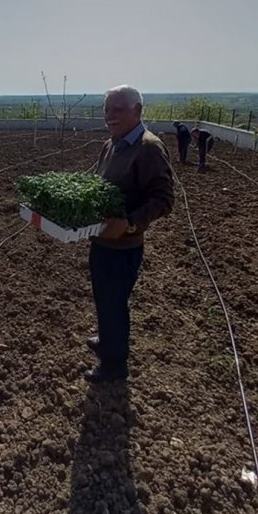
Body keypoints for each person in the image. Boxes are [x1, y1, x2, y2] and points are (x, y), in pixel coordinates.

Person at [86, 85, 174, 383]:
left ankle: (114, 364)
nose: (110, 116)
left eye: (118, 110)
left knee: (114, 301)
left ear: (138, 112)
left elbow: (163, 200)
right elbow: (97, 188)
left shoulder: (149, 148)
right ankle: (108, 340)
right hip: (101, 239)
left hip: (123, 247)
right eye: (106, 109)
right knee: (104, 297)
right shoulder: (111, 144)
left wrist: (130, 223)